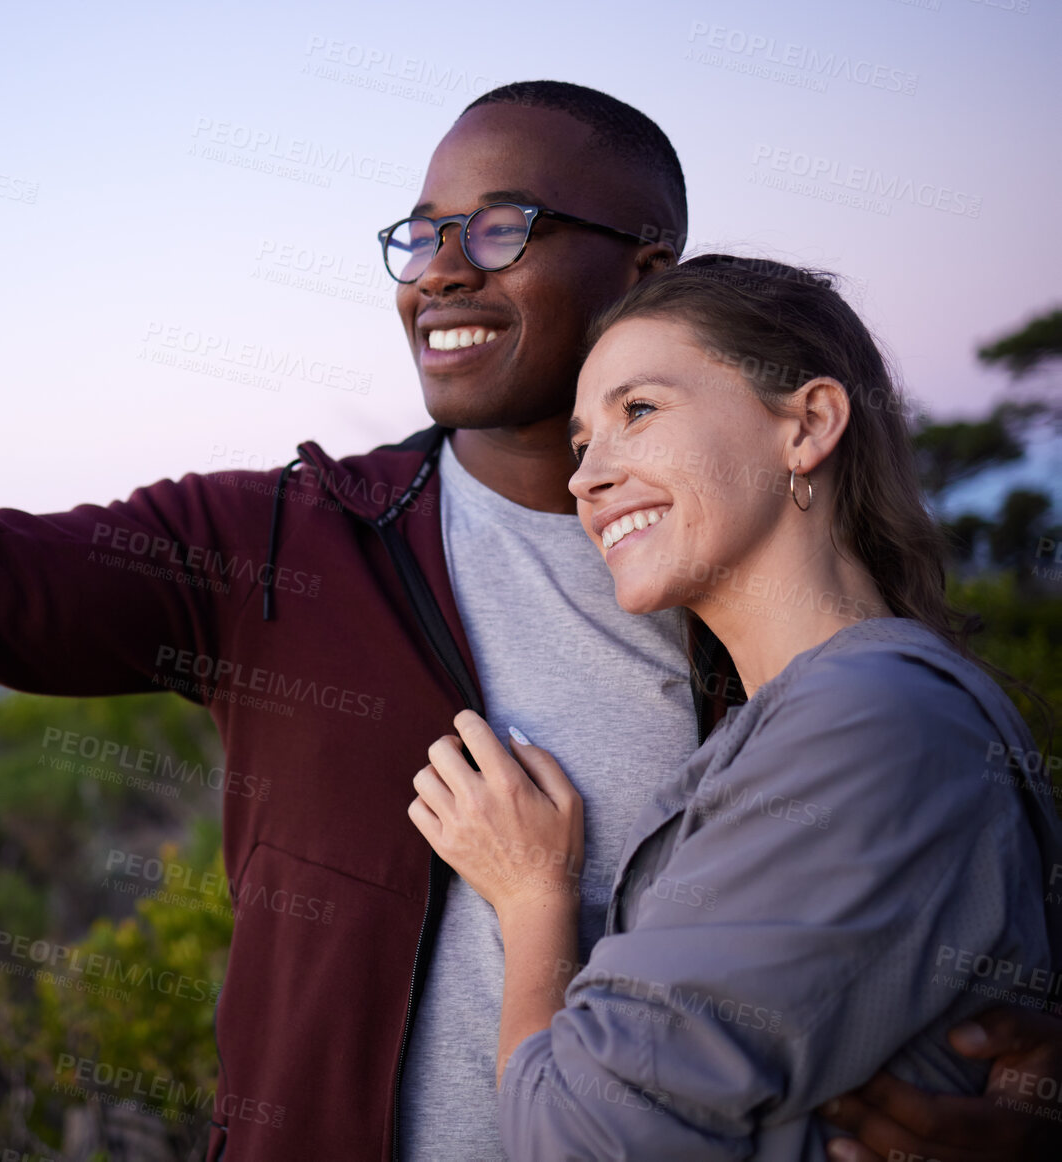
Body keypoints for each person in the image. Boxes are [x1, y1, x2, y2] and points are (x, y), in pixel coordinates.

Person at [0, 81, 1062, 1160]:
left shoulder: (792, 612)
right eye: (417, 234)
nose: (436, 270)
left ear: (646, 265)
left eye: (500, 226)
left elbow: (951, 942)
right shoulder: (278, 548)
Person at [409, 254, 1062, 1159]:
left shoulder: (867, 722)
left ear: (808, 425)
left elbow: (578, 1139)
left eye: (637, 411)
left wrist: (531, 898)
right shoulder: (800, 717)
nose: (585, 477)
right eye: (579, 442)